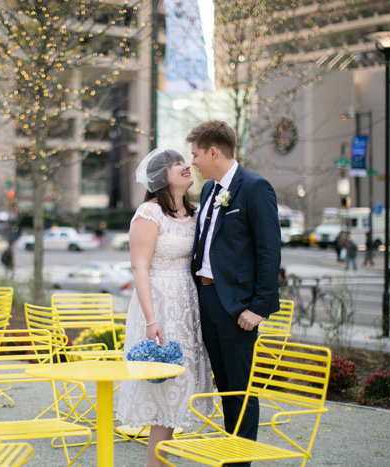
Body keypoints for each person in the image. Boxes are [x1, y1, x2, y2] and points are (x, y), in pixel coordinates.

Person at [187, 120, 281, 453]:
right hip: (208, 297)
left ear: (214, 151)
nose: (193, 162)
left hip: (238, 306)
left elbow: (269, 252)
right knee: (224, 386)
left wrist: (258, 307)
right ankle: (230, 453)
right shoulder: (210, 190)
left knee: (240, 390)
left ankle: (240, 461)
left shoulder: (256, 188)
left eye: (196, 154)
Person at [116, 149, 213, 467]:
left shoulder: (194, 213)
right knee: (163, 395)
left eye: (186, 161)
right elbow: (139, 268)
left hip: (187, 306)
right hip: (159, 308)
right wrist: (150, 319)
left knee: (177, 397)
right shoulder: (149, 213)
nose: (187, 166)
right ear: (160, 176)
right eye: (177, 164)